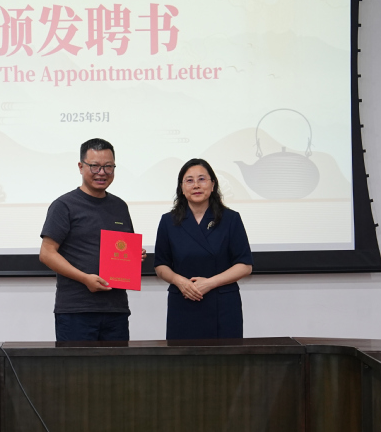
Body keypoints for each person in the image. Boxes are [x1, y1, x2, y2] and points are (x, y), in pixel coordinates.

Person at [40, 138, 144, 341]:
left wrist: (135, 256)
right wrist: (85, 278)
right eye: (95, 166)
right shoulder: (64, 205)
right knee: (77, 363)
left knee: (118, 363)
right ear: (81, 167)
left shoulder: (120, 206)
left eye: (108, 166)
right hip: (76, 310)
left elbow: (123, 249)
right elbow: (47, 253)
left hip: (116, 309)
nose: (102, 172)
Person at [154, 158, 253, 340]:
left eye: (202, 179)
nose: (196, 185)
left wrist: (209, 283)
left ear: (213, 184)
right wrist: (180, 282)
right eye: (189, 180)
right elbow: (161, 265)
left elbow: (245, 265)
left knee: (225, 358)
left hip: (222, 304)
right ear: (181, 187)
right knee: (182, 357)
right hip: (183, 302)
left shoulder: (231, 219)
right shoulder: (168, 221)